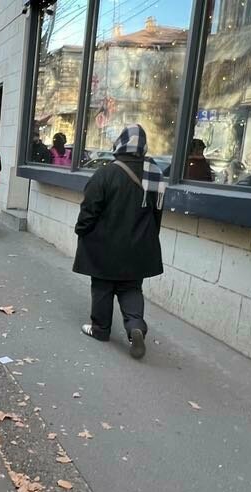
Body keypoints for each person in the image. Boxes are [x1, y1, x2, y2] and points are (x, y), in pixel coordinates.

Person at [73, 124, 165, 360]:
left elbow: (90, 208)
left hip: (105, 245)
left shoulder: (105, 173)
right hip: (138, 246)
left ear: (119, 144)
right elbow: (157, 214)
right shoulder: (154, 174)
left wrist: (81, 229)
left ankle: (101, 329)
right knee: (131, 287)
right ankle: (135, 325)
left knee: (103, 285)